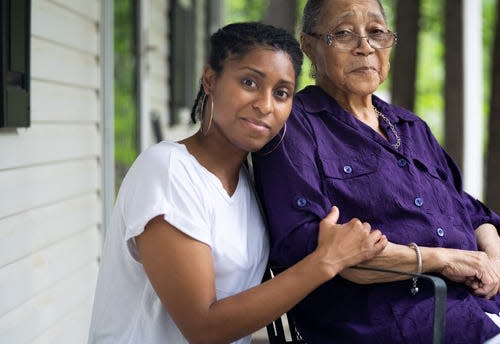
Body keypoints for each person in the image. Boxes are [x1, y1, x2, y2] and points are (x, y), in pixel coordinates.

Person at [252, 0, 500, 343]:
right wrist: (440, 259)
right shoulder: (294, 127)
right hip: (390, 319)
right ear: (309, 46)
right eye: (343, 33)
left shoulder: (409, 126)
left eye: (376, 32)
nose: (365, 47)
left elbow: (471, 211)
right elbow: (304, 243)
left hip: (485, 305)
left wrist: (495, 255)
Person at [88, 21, 387, 344]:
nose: (265, 104)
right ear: (210, 80)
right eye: (249, 82)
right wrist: (326, 261)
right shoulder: (169, 170)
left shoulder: (251, 186)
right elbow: (203, 328)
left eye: (282, 93)